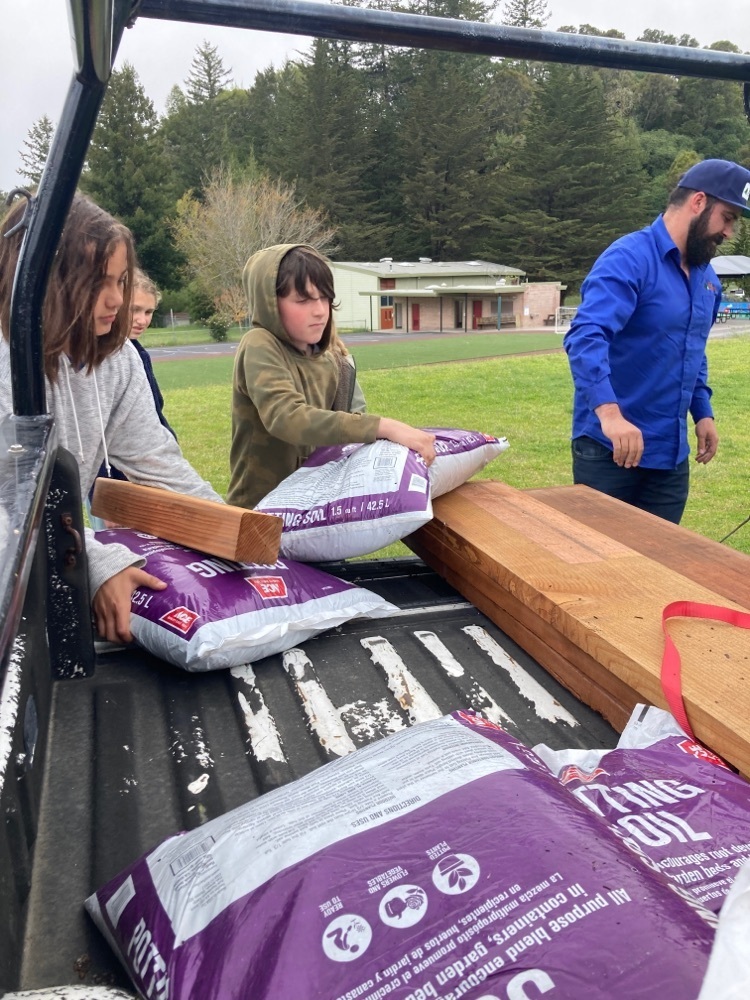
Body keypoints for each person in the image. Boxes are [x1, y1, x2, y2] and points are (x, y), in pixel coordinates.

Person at [0, 193, 223, 642]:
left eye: (121, 281)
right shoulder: (5, 361)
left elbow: (157, 463)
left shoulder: (117, 360)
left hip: (45, 583)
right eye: (96, 281)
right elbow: (10, 509)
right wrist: (95, 563)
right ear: (43, 276)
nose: (116, 299)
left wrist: (231, 530)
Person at [563, 158, 750, 524]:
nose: (729, 232)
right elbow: (586, 336)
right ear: (699, 202)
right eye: (727, 218)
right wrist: (610, 415)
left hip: (670, 457)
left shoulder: (707, 278)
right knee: (601, 570)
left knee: (661, 572)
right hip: (609, 450)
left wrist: (703, 411)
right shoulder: (628, 259)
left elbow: (692, 349)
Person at [227, 243, 437, 509]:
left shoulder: (333, 356)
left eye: (325, 298)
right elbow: (287, 418)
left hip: (319, 510)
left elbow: (353, 420)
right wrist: (386, 427)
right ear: (270, 303)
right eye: (303, 300)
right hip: (261, 513)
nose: (320, 311)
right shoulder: (259, 344)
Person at [88, 268, 175, 529]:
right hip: (112, 486)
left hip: (146, 476)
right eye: (134, 310)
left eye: (148, 312)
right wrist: (104, 497)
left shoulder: (137, 353)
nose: (141, 320)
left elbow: (153, 418)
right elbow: (96, 439)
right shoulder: (100, 361)